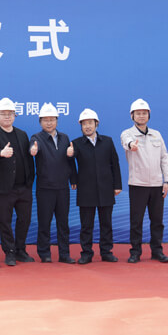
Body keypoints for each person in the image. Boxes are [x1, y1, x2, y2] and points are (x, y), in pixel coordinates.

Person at [120, 98, 168, 263]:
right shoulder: (127, 133)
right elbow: (126, 142)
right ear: (132, 116)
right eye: (138, 113)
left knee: (157, 221)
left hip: (156, 185)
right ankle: (135, 252)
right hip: (138, 185)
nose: (141, 116)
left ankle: (157, 251)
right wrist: (131, 146)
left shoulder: (156, 134)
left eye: (144, 113)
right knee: (136, 221)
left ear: (149, 115)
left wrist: (167, 181)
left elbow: (164, 158)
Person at [0, 97, 35, 266]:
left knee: (25, 220)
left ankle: (21, 250)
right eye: (3, 113)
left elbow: (28, 158)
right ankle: (10, 252)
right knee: (5, 221)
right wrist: (0, 153)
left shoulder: (22, 134)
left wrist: (30, 180)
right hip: (5, 189)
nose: (7, 116)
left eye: (10, 113)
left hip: (24, 187)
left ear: (15, 115)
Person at [70, 108, 122, 264]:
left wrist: (117, 185)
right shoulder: (76, 143)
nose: (87, 126)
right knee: (86, 225)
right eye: (84, 124)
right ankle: (86, 253)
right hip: (86, 189)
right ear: (81, 126)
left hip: (106, 188)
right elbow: (70, 164)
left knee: (106, 223)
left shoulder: (107, 141)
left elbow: (115, 164)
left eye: (90, 123)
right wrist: (73, 180)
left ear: (96, 124)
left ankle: (106, 252)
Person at [29, 103, 75, 264]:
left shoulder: (65, 138)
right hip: (45, 188)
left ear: (57, 120)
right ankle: (44, 253)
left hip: (62, 187)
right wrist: (33, 150)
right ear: (40, 122)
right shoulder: (36, 138)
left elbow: (70, 161)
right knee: (44, 222)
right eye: (45, 120)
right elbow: (32, 148)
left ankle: (64, 254)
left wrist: (73, 179)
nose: (49, 123)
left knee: (63, 223)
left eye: (52, 119)